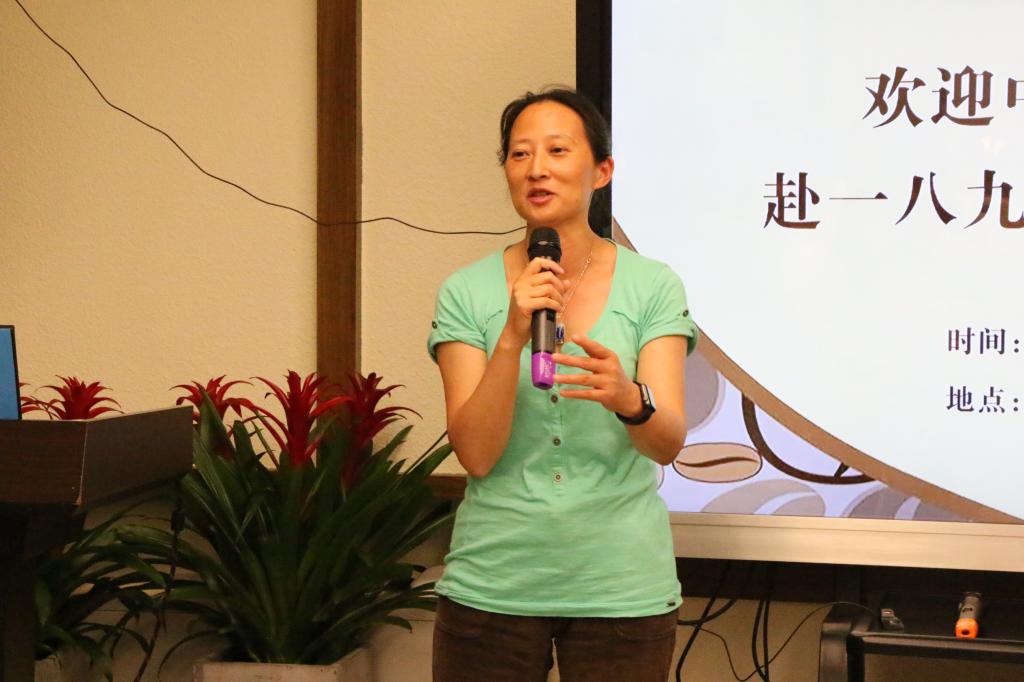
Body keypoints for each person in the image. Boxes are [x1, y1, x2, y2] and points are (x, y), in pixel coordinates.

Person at [427, 87, 698, 682]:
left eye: (557, 150)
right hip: (493, 584)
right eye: (520, 154)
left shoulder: (653, 286)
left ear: (602, 171)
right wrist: (510, 337)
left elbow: (667, 444)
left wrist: (629, 399)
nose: (537, 169)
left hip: (620, 587)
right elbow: (475, 454)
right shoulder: (466, 291)